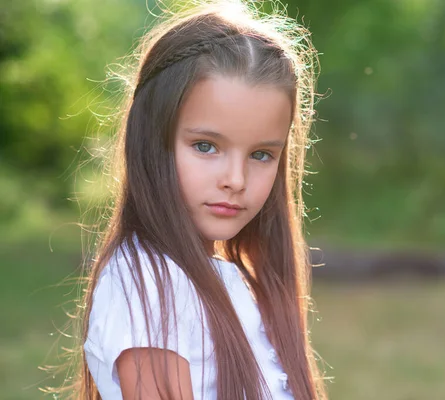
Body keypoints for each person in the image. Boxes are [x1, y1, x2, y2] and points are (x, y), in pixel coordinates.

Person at [64, 1, 327, 398]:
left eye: (261, 155)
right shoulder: (151, 281)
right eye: (206, 146)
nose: (235, 180)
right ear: (152, 140)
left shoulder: (221, 279)